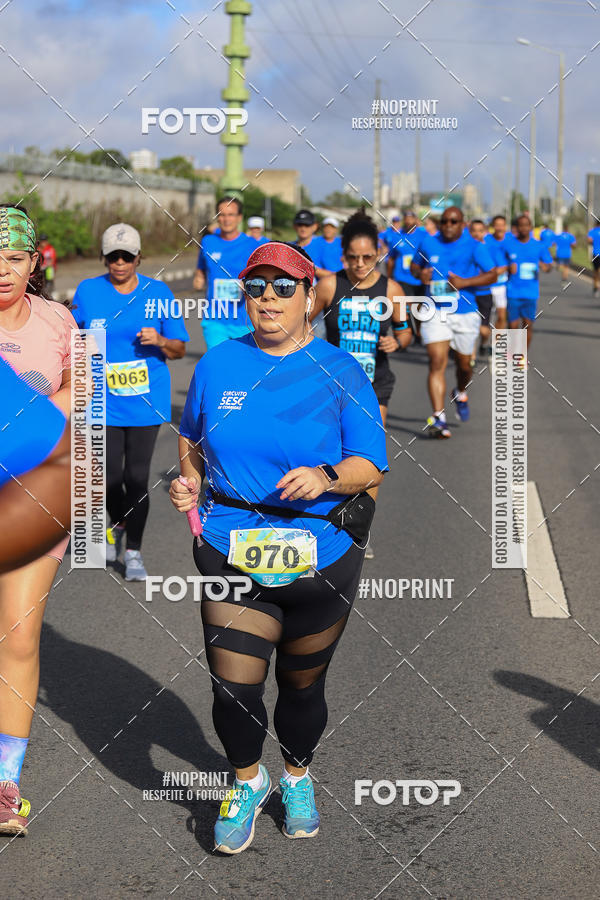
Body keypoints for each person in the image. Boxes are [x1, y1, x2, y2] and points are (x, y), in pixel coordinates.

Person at [170, 240, 387, 854]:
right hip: (230, 544)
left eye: (283, 285)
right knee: (232, 686)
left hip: (321, 550)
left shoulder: (341, 371)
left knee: (301, 687)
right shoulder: (217, 364)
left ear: (311, 295)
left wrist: (326, 477)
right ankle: (246, 780)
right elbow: (191, 439)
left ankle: (295, 774)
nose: (267, 295)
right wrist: (191, 484)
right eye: (256, 285)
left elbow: (372, 464)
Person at [0, 205, 77, 835]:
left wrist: (35, 414)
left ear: (34, 263)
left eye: (15, 258)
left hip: (35, 497)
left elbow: (92, 387)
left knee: (19, 636)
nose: (3, 271)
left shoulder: (58, 321)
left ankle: (5, 783)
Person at [72, 223, 189, 580]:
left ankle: (134, 552)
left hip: (145, 401)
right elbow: (71, 336)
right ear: (104, 258)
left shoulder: (159, 293)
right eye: (112, 256)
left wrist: (160, 341)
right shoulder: (88, 291)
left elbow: (180, 347)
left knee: (137, 478)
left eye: (126, 256)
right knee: (108, 479)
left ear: (139, 258)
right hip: (102, 400)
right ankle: (119, 523)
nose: (119, 263)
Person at [311, 211, 412, 557]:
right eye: (352, 258)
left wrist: (397, 343)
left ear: (379, 254)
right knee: (331, 452)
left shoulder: (391, 290)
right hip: (331, 386)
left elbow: (406, 332)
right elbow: (299, 324)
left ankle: (359, 528)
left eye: (367, 257)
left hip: (374, 383)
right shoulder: (329, 287)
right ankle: (324, 521)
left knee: (367, 456)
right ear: (343, 256)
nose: (359, 264)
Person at [410, 206, 496, 437]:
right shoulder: (428, 243)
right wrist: (421, 274)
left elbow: (493, 274)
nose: (448, 225)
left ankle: (460, 391)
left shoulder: (475, 246)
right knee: (436, 361)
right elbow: (414, 266)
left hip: (465, 312)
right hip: (434, 310)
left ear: (462, 224)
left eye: (454, 221)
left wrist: (465, 283)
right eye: (445, 221)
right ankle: (439, 419)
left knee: (464, 366)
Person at [0, 356, 70, 574]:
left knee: (133, 477)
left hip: (30, 478)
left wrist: (65, 396)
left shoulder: (61, 322)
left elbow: (68, 464)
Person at [192, 197, 257, 349]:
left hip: (245, 321)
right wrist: (199, 277)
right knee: (219, 367)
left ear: (239, 217)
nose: (226, 219)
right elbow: (201, 267)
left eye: (231, 214)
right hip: (215, 320)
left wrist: (248, 284)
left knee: (244, 369)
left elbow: (263, 279)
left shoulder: (252, 245)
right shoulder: (208, 241)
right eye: (221, 214)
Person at [506, 214, 553, 349]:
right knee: (512, 326)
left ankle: (521, 357)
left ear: (530, 227)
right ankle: (511, 353)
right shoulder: (509, 245)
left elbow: (549, 265)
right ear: (517, 227)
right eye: (520, 225)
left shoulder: (539, 246)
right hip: (513, 292)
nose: (523, 228)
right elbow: (499, 265)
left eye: (526, 225)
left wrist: (545, 266)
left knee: (527, 326)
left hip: (530, 293)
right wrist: (508, 268)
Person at [468, 219, 494, 358]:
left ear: (485, 232)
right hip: (467, 293)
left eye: (480, 230)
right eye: (473, 231)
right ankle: (471, 358)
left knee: (484, 330)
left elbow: (496, 269)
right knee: (470, 329)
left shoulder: (489, 248)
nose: (476, 234)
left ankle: (483, 344)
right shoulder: (465, 247)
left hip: (484, 293)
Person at [386, 209, 426, 297]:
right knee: (405, 307)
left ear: (416, 220)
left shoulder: (424, 235)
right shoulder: (397, 236)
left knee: (419, 309)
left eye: (411, 219)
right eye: (406, 219)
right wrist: (389, 278)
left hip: (420, 280)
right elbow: (391, 259)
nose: (408, 221)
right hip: (402, 278)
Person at [484, 215, 512, 331]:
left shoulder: (511, 241)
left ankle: (495, 346)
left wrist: (505, 268)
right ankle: (484, 344)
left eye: (502, 225)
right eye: (497, 225)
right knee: (486, 320)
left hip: (503, 286)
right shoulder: (485, 241)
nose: (500, 228)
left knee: (502, 317)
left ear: (505, 226)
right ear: (493, 226)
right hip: (487, 286)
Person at [587, 218, 600, 296]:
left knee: (595, 271)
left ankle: (595, 288)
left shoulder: (593, 231)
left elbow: (589, 241)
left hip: (595, 254)